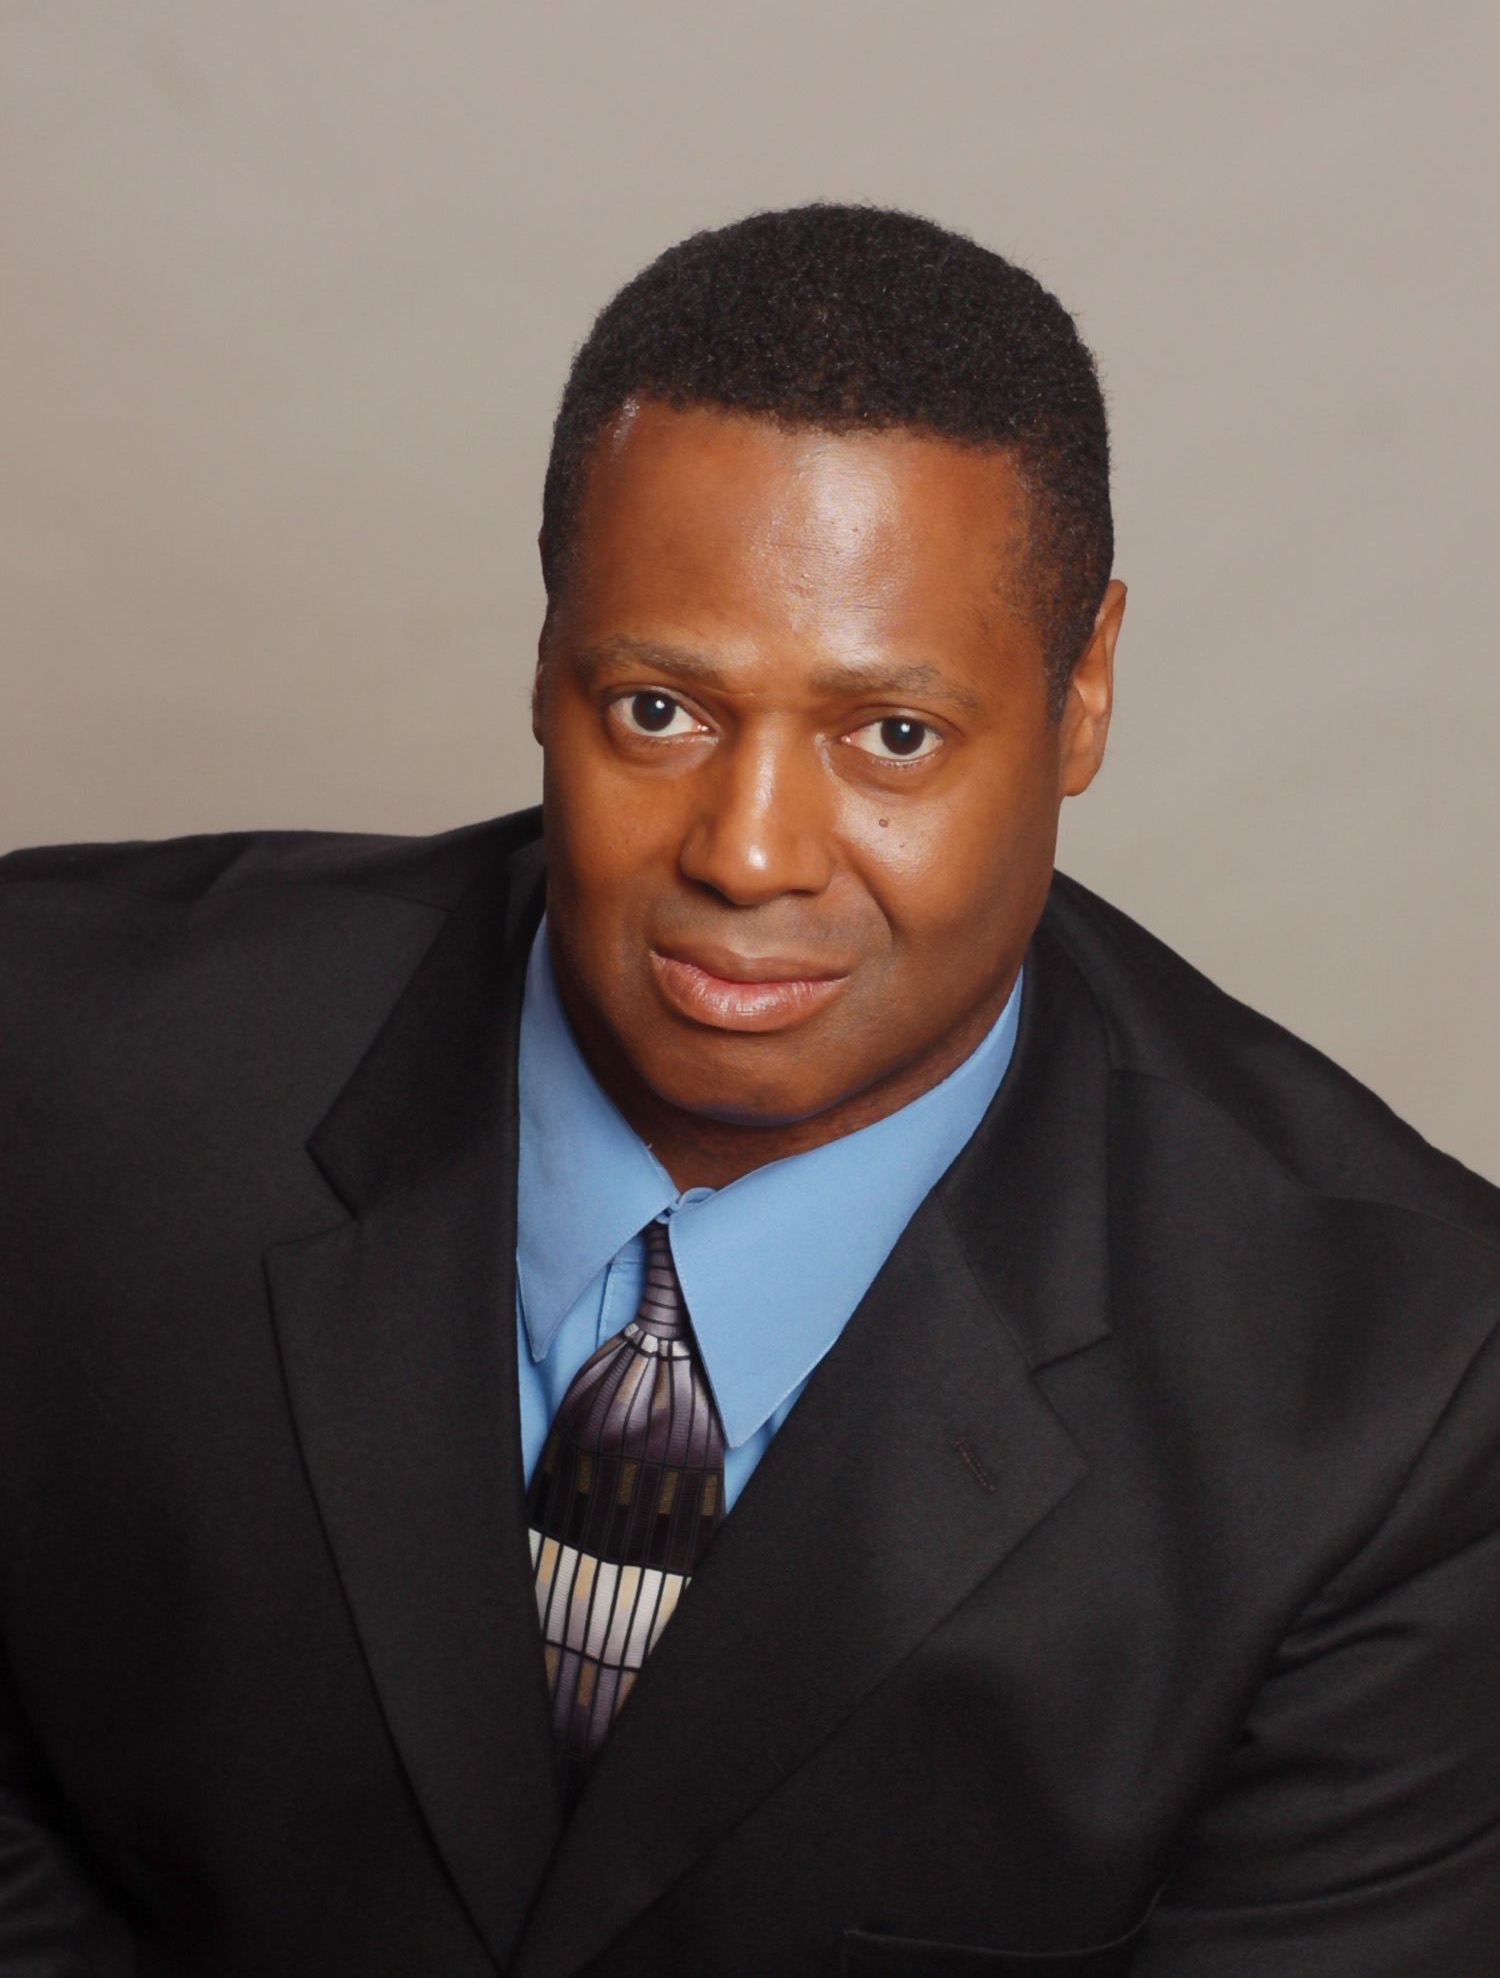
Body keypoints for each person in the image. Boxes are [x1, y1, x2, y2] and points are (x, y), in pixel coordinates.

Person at [1, 205, 1498, 1978]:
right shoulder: (62, 1066)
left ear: (1084, 688)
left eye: (892, 736)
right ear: (547, 654)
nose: (750, 852)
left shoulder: (1396, 1392)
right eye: (659, 710)